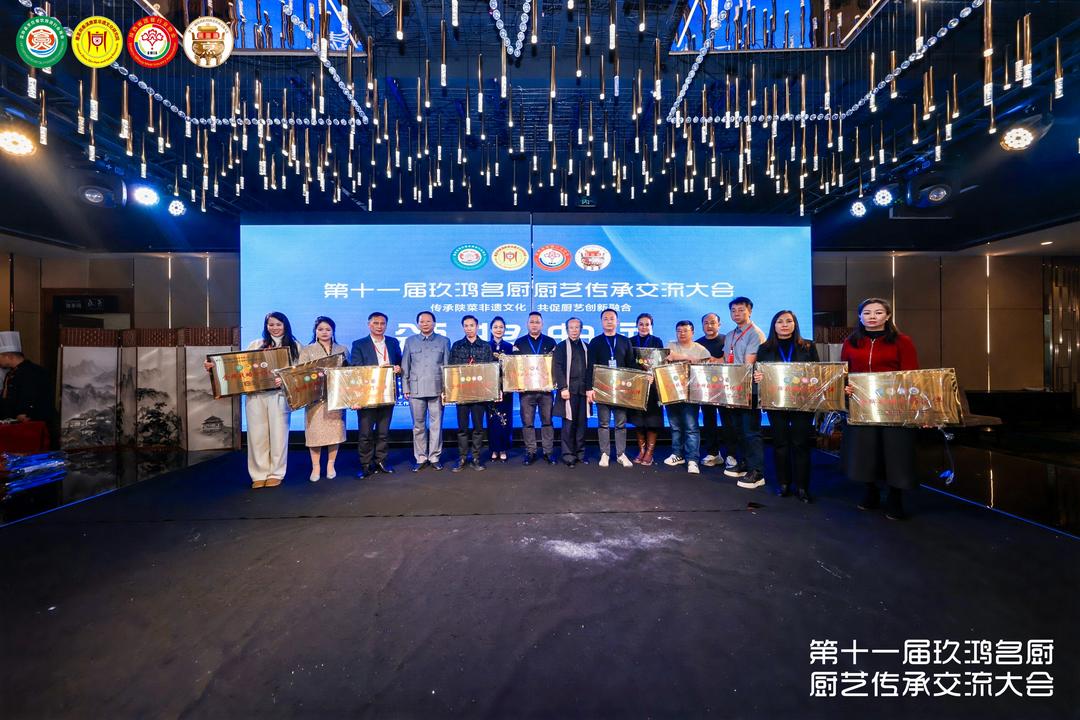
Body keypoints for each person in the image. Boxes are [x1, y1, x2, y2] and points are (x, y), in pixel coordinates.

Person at [841, 297, 920, 520]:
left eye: (878, 312)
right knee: (865, 450)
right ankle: (871, 491)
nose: (872, 317)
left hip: (894, 406)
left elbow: (911, 374)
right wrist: (845, 387)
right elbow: (844, 372)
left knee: (896, 452)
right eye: (867, 313)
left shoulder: (902, 341)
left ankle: (895, 497)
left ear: (887, 316)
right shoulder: (851, 342)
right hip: (861, 405)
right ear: (860, 316)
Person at [205, 311, 299, 489]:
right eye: (271, 324)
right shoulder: (256, 344)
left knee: (279, 435)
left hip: (279, 396)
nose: (275, 328)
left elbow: (300, 373)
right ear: (266, 326)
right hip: (255, 396)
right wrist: (214, 367)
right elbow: (238, 366)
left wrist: (285, 379)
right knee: (257, 435)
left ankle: (276, 473)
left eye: (278, 324)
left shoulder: (295, 347)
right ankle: (259, 474)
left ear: (285, 325)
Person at [753, 310, 820, 502]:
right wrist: (758, 377)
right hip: (776, 402)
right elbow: (759, 373)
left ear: (795, 324)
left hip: (803, 403)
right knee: (780, 443)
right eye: (780, 321)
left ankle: (802, 487)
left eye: (789, 321)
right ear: (774, 325)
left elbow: (817, 373)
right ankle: (783, 484)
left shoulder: (808, 346)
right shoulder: (765, 348)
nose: (784, 325)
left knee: (801, 444)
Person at [350, 311, 402, 478]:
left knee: (383, 432)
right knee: (365, 432)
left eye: (382, 323)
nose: (379, 326)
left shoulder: (393, 342)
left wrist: (398, 368)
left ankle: (381, 461)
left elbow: (400, 362)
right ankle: (366, 464)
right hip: (367, 394)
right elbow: (356, 367)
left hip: (387, 392)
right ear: (369, 325)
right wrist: (379, 370)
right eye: (376, 323)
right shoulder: (359, 344)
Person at [722, 297, 767, 489]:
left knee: (751, 431)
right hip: (733, 389)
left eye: (741, 310)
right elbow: (726, 360)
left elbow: (748, 365)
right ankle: (746, 464)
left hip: (749, 389)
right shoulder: (730, 335)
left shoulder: (755, 334)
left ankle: (757, 472)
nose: (736, 313)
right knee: (739, 430)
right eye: (733, 310)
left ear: (750, 311)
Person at [299, 317, 348, 482]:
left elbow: (349, 374)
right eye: (320, 329)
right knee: (315, 433)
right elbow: (301, 374)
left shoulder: (342, 349)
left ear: (333, 331)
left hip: (336, 398)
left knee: (335, 432)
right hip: (314, 399)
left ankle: (330, 465)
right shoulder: (307, 350)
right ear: (315, 331)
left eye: (328, 329)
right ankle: (316, 467)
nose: (324, 332)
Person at [401, 310, 451, 472]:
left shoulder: (444, 341)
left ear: (434, 323)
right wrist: (406, 387)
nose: (425, 324)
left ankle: (434, 457)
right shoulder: (410, 341)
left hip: (437, 389)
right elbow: (405, 366)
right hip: (415, 389)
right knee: (418, 425)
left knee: (436, 425)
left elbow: (447, 368)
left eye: (428, 321)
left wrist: (446, 389)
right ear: (417, 324)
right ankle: (421, 457)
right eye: (422, 321)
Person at [586, 308, 635, 468]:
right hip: (601, 388)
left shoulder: (625, 341)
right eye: (605, 318)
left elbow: (631, 365)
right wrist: (589, 388)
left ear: (617, 321)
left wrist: (635, 385)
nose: (609, 321)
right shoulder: (595, 342)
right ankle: (605, 453)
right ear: (601, 322)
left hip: (621, 390)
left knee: (620, 424)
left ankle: (621, 454)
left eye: (612, 318)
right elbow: (590, 367)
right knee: (604, 423)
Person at [664, 321, 712, 474]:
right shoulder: (670, 345)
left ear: (693, 332)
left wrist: (681, 357)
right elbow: (665, 359)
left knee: (691, 427)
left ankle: (692, 459)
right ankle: (677, 454)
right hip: (672, 392)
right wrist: (688, 358)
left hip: (692, 394)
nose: (682, 333)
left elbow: (707, 368)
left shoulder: (701, 350)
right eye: (679, 331)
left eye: (685, 330)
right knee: (675, 426)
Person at [448, 315, 494, 471]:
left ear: (477, 326)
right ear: (463, 327)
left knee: (478, 428)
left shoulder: (486, 346)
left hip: (479, 394)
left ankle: (476, 458)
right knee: (462, 428)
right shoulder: (457, 346)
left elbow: (490, 371)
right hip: (461, 393)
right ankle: (462, 458)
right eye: (466, 326)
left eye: (471, 325)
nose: (469, 328)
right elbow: (451, 371)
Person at [513, 311, 558, 465]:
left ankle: (548, 452)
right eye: (531, 322)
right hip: (526, 392)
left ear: (542, 324)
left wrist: (554, 383)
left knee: (547, 422)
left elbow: (555, 366)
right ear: (527, 324)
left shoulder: (550, 342)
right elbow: (515, 367)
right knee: (528, 423)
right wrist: (517, 384)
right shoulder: (519, 343)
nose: (534, 325)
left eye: (537, 322)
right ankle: (530, 452)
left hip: (546, 391)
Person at [552, 317, 590, 466]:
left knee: (582, 424)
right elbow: (557, 368)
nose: (574, 330)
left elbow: (590, 370)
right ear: (567, 330)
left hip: (583, 391)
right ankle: (568, 455)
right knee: (568, 424)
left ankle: (580, 454)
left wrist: (590, 389)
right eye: (571, 327)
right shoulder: (561, 347)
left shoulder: (586, 347)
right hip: (568, 391)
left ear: (581, 329)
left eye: (577, 327)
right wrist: (563, 387)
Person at [628, 313, 665, 466]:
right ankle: (642, 451)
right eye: (641, 324)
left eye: (647, 324)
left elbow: (661, 364)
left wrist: (653, 376)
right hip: (636, 386)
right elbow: (628, 363)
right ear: (637, 325)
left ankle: (649, 452)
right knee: (638, 420)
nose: (644, 327)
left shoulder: (657, 341)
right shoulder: (630, 341)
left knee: (652, 421)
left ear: (651, 326)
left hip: (653, 386)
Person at [0, 332, 56, 431]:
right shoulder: (10, 374)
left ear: (9, 356)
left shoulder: (36, 372)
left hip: (34, 428)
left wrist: (28, 414)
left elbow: (42, 401)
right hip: (13, 427)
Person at [696, 312, 730, 468]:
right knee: (709, 421)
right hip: (705, 390)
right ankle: (713, 453)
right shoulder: (697, 344)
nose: (709, 326)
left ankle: (731, 455)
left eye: (712, 322)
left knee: (728, 422)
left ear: (719, 324)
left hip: (726, 389)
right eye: (706, 323)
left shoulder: (727, 340)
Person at [487, 316, 514, 462]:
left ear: (505, 329)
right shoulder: (486, 346)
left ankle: (503, 448)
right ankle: (493, 449)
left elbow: (514, 370)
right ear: (491, 329)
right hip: (489, 389)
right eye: (496, 327)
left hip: (506, 389)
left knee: (505, 419)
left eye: (501, 327)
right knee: (492, 420)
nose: (498, 329)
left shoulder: (510, 347)